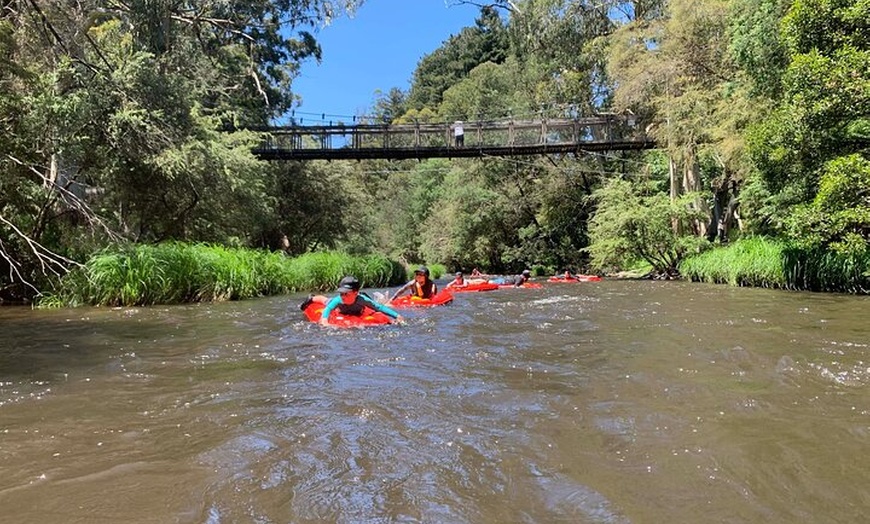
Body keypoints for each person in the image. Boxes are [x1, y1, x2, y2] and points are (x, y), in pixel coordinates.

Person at [312, 276, 404, 326]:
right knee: (325, 300)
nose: (343, 296)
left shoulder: (362, 300)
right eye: (341, 293)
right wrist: (324, 320)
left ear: (356, 293)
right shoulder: (338, 300)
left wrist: (396, 316)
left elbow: (379, 307)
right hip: (339, 309)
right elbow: (327, 309)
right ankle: (311, 298)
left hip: (357, 310)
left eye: (346, 293)